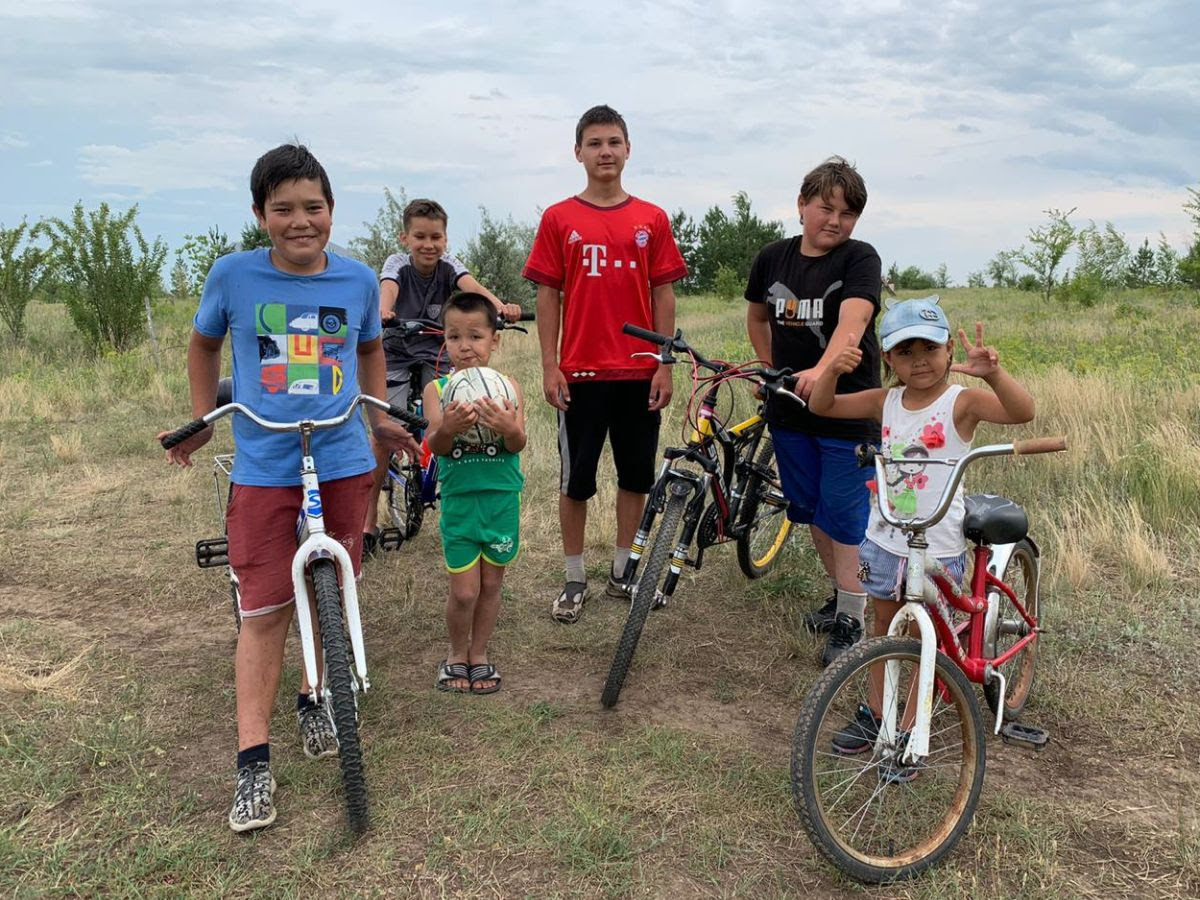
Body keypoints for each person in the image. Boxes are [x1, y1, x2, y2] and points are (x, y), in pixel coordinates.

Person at [158, 143, 419, 833]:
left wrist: (377, 415)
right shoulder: (233, 276)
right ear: (259, 215)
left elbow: (368, 348)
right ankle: (252, 763)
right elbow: (203, 343)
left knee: (335, 585)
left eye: (313, 208)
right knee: (266, 609)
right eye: (283, 210)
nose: (300, 222)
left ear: (332, 211)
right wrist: (199, 417)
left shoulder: (359, 280)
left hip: (340, 459)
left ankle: (316, 695)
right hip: (265, 467)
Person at [807, 298, 1035, 766]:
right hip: (885, 538)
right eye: (905, 352)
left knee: (921, 638)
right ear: (889, 359)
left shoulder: (963, 402)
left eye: (929, 349)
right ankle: (875, 713)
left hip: (939, 543)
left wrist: (992, 373)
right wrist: (831, 368)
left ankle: (911, 729)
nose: (919, 361)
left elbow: (1022, 412)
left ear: (950, 350)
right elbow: (821, 404)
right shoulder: (884, 400)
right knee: (882, 628)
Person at [523, 104, 688, 624]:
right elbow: (548, 298)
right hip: (581, 376)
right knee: (576, 482)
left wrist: (664, 362)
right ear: (578, 153)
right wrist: (550, 366)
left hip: (640, 374)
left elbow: (664, 295)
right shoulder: (558, 218)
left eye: (614, 142)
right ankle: (574, 579)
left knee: (635, 478)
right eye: (594, 143)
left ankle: (623, 570)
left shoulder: (652, 219)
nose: (605, 152)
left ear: (628, 149)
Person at [744, 155, 881, 666]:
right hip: (789, 414)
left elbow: (854, 320)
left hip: (848, 412)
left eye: (847, 214)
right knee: (812, 511)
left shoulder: (859, 259)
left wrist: (822, 372)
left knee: (845, 518)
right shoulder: (773, 258)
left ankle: (852, 619)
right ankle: (843, 598)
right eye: (825, 208)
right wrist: (769, 366)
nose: (835, 222)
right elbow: (758, 315)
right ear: (802, 205)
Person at [362, 198, 522, 552]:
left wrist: (499, 307)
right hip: (397, 352)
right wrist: (384, 310)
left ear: (446, 239)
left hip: (436, 352)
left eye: (436, 237)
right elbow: (387, 290)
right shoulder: (397, 265)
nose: (428, 244)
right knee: (385, 433)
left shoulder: (450, 266)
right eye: (420, 236)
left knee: (451, 410)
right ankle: (368, 523)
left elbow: (474, 289)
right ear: (405, 238)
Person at [421, 292, 526, 693]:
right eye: (454, 337)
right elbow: (438, 444)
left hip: (500, 498)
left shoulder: (509, 388)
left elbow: (518, 444)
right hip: (461, 500)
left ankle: (479, 654)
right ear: (445, 341)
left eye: (476, 336)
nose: (465, 346)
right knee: (464, 591)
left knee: (492, 585)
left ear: (494, 341)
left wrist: (507, 426)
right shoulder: (438, 390)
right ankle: (455, 654)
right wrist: (448, 427)